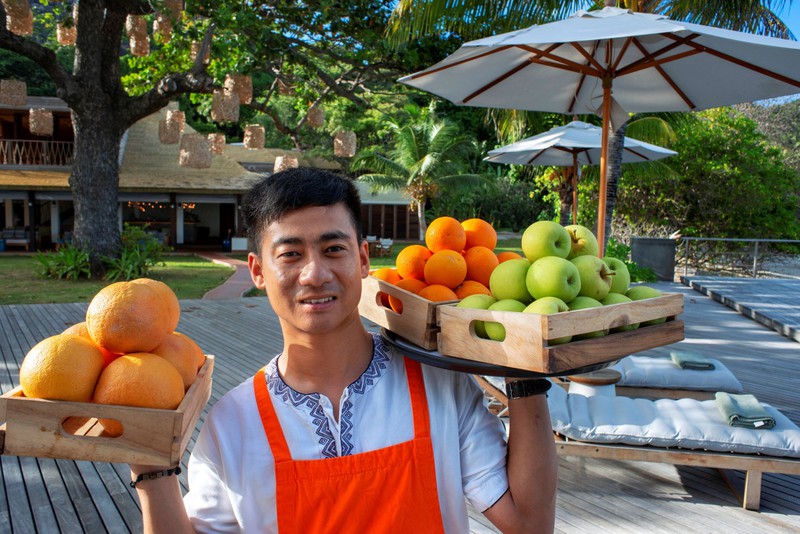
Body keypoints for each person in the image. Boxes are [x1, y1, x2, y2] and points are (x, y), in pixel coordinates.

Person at [130, 168, 557, 533]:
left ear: (364, 259)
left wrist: (525, 374)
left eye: (334, 249)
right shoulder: (233, 423)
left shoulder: (439, 385)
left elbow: (528, 523)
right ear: (258, 271)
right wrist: (150, 465)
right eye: (290, 254)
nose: (315, 274)